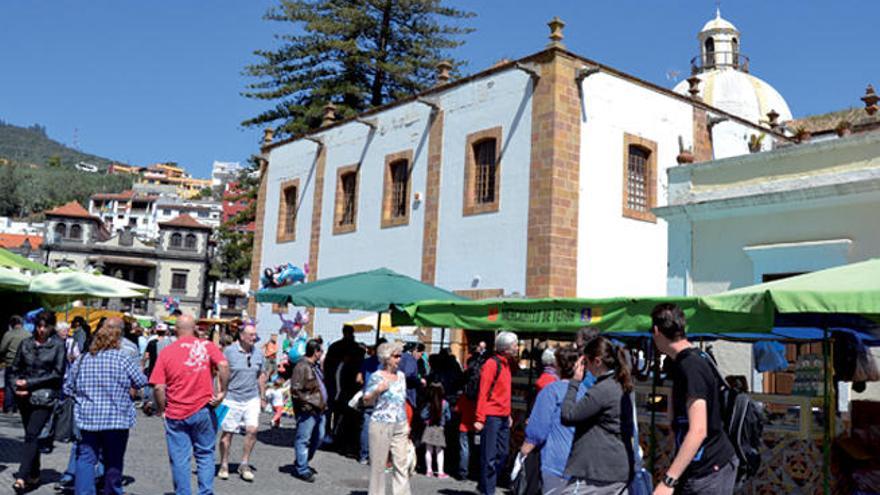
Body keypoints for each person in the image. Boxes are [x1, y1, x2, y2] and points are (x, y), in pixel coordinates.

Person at [651, 303, 737, 495]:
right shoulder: (689, 360)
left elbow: (698, 430)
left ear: (656, 331)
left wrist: (668, 481)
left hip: (709, 470)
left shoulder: (691, 366)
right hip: (702, 468)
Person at [63, 320, 148, 495]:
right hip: (117, 418)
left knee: (86, 458)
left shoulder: (82, 359)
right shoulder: (122, 358)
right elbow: (141, 382)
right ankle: (111, 491)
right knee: (113, 459)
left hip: (88, 418)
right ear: (116, 340)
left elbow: (68, 387)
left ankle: (84, 492)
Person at [150, 314, 230, 495]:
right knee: (205, 455)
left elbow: (158, 388)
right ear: (194, 328)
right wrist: (222, 391)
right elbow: (223, 365)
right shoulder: (207, 346)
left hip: (176, 411)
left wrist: (162, 409)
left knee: (179, 459)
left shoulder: (167, 352)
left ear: (175, 330)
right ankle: (205, 492)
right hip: (203, 408)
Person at [560, 337, 634, 495]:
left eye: (586, 362)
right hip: (616, 468)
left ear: (597, 361)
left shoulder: (602, 389)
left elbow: (568, 416)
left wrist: (574, 382)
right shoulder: (621, 385)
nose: (584, 367)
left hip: (597, 471)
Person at [520, 347, 594, 494]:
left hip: (556, 461)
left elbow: (538, 431)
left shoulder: (550, 391)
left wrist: (524, 451)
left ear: (557, 366)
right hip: (581, 462)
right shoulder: (587, 393)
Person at [10, 311, 65, 493]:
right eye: (39, 326)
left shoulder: (57, 345)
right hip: (24, 397)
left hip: (44, 397)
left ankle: (21, 477)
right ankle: (34, 473)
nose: (42, 330)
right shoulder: (26, 343)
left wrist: (29, 383)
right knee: (30, 435)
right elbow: (15, 368)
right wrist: (17, 386)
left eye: (46, 326)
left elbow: (57, 374)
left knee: (32, 434)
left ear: (51, 327)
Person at [217, 323, 267, 482]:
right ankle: (224, 463)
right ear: (242, 336)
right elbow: (221, 374)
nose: (254, 337)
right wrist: (220, 393)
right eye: (251, 335)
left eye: (255, 335)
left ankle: (244, 464)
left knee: (253, 430)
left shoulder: (258, 353)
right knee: (227, 434)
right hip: (232, 397)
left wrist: (263, 396)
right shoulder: (229, 351)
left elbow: (261, 375)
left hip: (251, 397)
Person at [475, 331, 518, 495]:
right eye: (514, 345)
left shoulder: (507, 364)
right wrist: (479, 418)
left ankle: (484, 483)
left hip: (502, 416)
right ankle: (487, 490)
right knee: (489, 457)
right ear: (506, 348)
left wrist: (508, 414)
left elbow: (504, 393)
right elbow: (483, 392)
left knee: (503, 453)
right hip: (491, 416)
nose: (516, 348)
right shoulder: (492, 364)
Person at [365, 341, 411, 495]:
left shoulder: (402, 377)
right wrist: (377, 390)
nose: (399, 359)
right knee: (378, 467)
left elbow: (402, 400)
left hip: (400, 424)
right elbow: (366, 400)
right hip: (381, 424)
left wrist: (406, 423)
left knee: (402, 465)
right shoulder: (376, 377)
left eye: (400, 356)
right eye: (396, 356)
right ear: (386, 358)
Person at [290, 339, 327, 483]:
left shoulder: (314, 366)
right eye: (321, 351)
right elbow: (296, 390)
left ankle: (302, 461)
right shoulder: (302, 367)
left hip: (319, 409)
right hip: (309, 410)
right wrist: (308, 404)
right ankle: (302, 467)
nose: (322, 353)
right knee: (303, 439)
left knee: (319, 436)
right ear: (316, 352)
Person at [357, 338, 386, 464]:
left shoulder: (367, 361)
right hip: (381, 397)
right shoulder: (386, 364)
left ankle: (364, 455)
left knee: (366, 426)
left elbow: (358, 379)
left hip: (368, 396)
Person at [421, 382, 451, 478]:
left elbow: (422, 415)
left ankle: (429, 471)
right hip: (440, 429)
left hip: (429, 427)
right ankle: (440, 472)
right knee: (439, 451)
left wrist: (427, 420)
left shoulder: (429, 404)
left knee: (428, 450)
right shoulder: (445, 403)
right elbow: (448, 417)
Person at [1, 315, 28, 414]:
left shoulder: (9, 334)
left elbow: (2, 348)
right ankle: (18, 406)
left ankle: (8, 407)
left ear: (12, 324)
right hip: (24, 363)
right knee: (21, 384)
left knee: (9, 384)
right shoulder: (28, 334)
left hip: (11, 362)